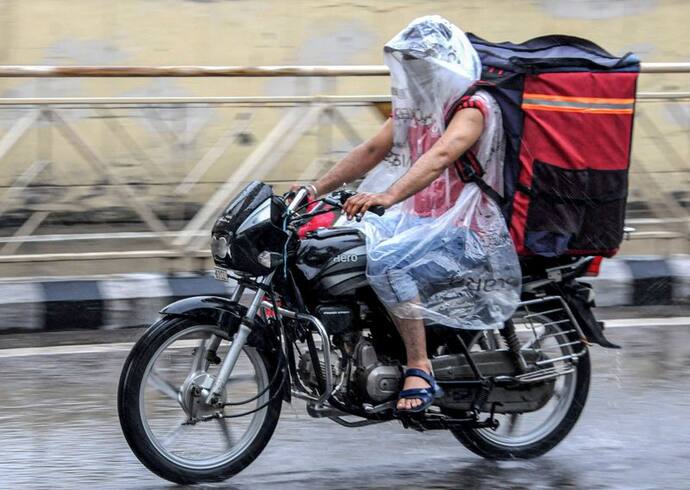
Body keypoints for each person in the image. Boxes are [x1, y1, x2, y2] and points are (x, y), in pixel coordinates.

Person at [299, 16, 520, 412]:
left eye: (425, 64)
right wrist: (312, 190)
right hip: (421, 224)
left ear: (448, 65)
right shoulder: (417, 110)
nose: (417, 73)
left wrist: (388, 194)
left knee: (388, 262)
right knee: (335, 246)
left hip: (468, 231)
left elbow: (440, 157)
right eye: (411, 64)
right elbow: (370, 151)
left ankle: (420, 366)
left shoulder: (474, 106)